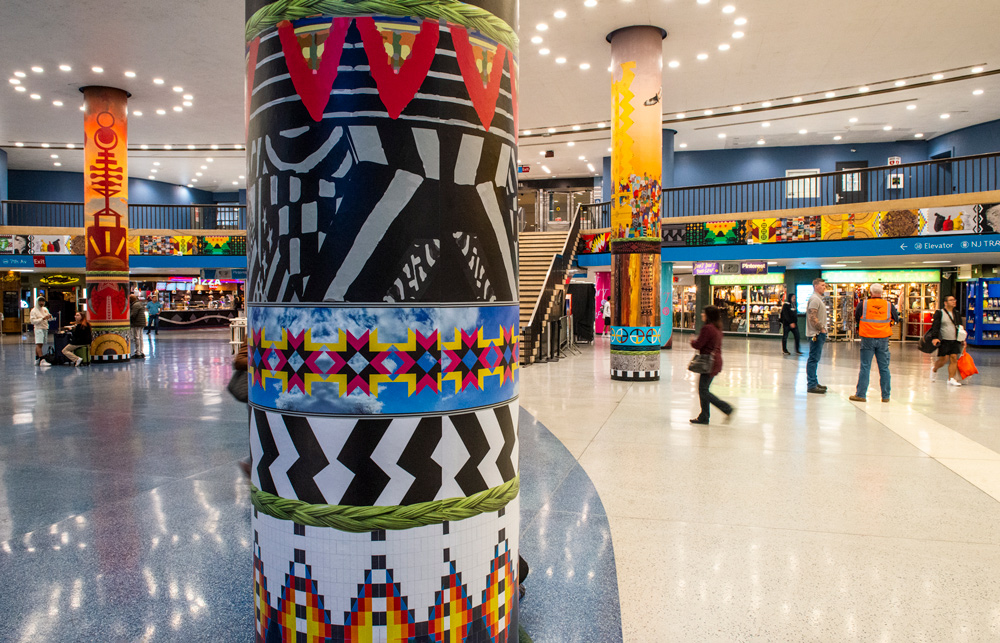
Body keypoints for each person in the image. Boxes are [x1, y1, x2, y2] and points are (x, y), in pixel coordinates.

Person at [849, 283, 900, 403]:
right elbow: (896, 319)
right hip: (883, 338)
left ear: (870, 293)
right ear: (881, 293)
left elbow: (857, 317)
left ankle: (861, 395)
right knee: (884, 368)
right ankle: (886, 396)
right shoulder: (888, 305)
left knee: (865, 366)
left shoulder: (864, 304)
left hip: (867, 338)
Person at [690, 306, 735, 425]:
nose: (702, 314)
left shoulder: (707, 329)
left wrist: (692, 341)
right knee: (703, 389)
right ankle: (704, 416)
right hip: (716, 360)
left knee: (703, 390)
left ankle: (726, 408)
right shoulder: (717, 328)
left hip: (709, 362)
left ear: (708, 315)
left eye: (703, 313)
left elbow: (698, 345)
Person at [930, 294, 964, 386]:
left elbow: (960, 326)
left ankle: (951, 378)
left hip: (955, 340)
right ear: (945, 303)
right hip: (944, 340)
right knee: (943, 359)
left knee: (954, 358)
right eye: (951, 300)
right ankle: (934, 369)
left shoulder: (956, 313)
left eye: (954, 300)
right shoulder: (939, 313)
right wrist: (935, 337)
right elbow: (935, 326)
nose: (954, 302)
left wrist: (962, 338)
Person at [805, 278, 829, 394]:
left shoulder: (819, 299)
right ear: (816, 286)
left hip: (818, 333)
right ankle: (811, 384)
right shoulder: (814, 299)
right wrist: (821, 328)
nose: (824, 287)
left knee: (815, 358)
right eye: (822, 285)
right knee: (813, 358)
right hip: (816, 333)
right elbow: (812, 316)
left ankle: (814, 381)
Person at [29, 297, 53, 362]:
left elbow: (49, 318)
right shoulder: (34, 311)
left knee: (40, 343)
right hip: (38, 328)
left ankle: (37, 358)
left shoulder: (45, 309)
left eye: (43, 301)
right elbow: (33, 321)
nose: (42, 303)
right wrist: (42, 318)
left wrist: (50, 317)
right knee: (39, 343)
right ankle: (42, 359)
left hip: (45, 328)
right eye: (40, 301)